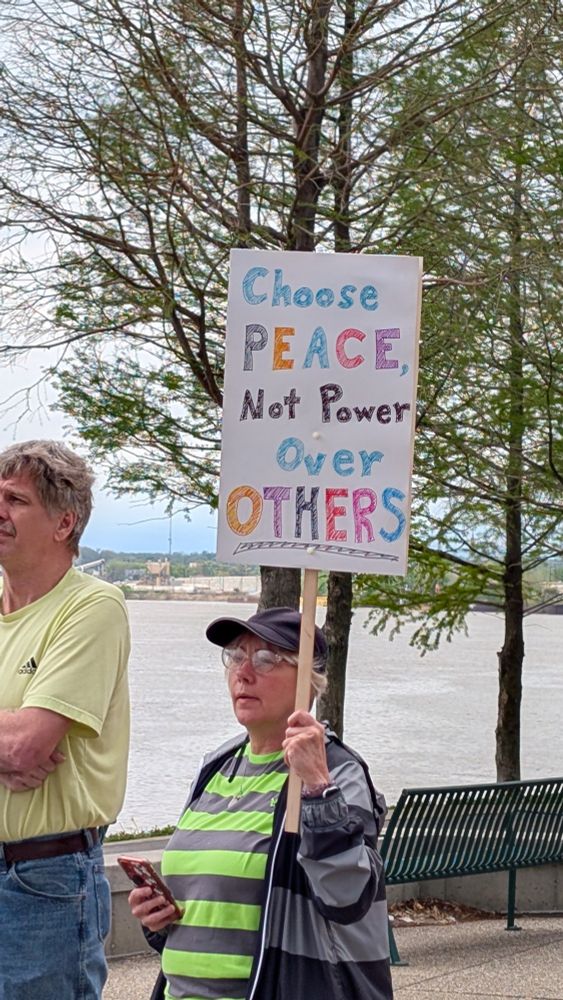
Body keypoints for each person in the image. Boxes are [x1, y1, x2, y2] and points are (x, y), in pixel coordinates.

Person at [129, 606, 393, 1000]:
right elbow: (214, 902)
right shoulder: (216, 767)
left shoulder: (338, 771)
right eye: (236, 656)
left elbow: (349, 896)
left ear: (307, 680)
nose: (243, 672)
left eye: (265, 659)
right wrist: (159, 919)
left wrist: (318, 788)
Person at [0, 440, 131, 999]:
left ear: (65, 522)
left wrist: (16, 739)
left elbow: (27, 747)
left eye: (15, 499)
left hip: (43, 883)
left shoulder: (93, 607)